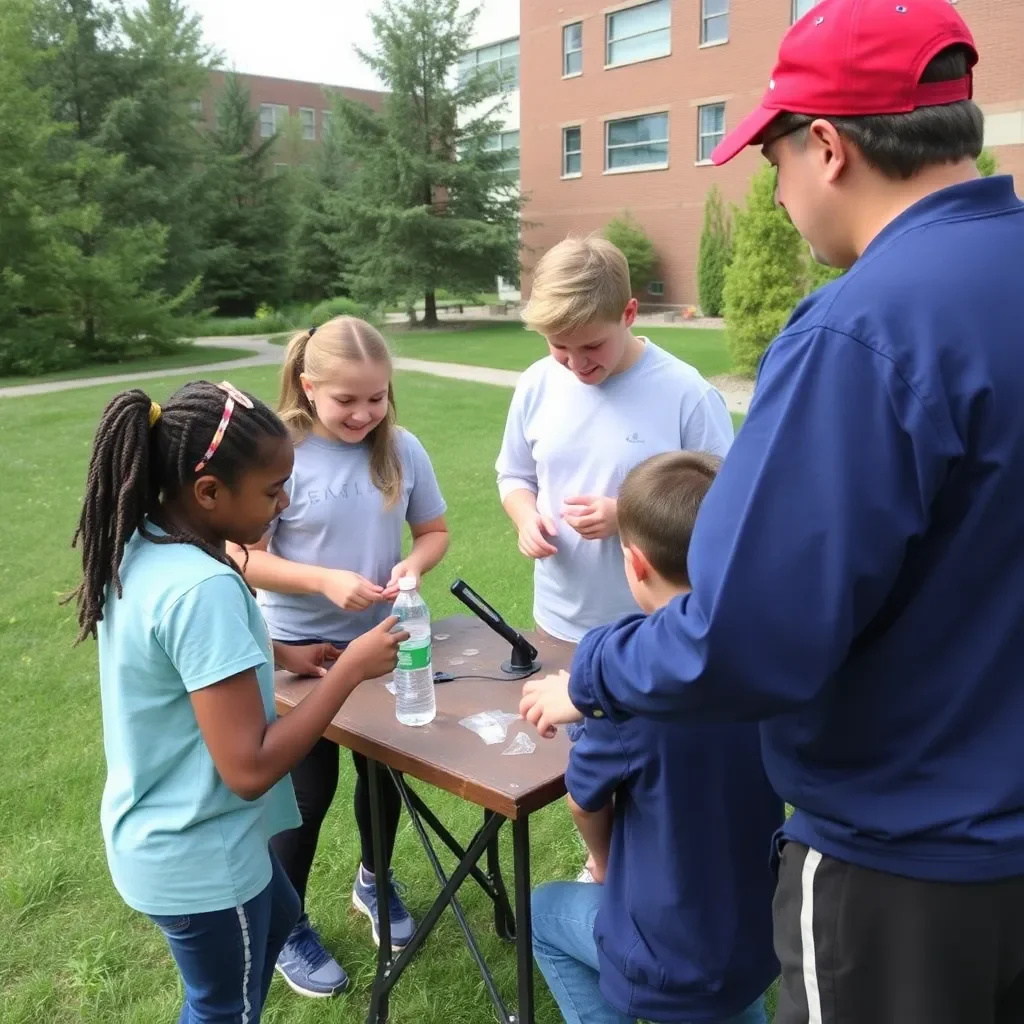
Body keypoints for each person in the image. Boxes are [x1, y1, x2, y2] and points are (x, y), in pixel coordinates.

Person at [521, 1, 1024, 1022]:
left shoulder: (863, 327)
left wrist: (597, 672)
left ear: (827, 147)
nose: (781, 190)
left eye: (774, 161)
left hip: (907, 866)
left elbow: (747, 638)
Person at [68, 380, 406, 1023]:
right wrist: (349, 671)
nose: (283, 506)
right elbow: (248, 769)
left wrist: (280, 654)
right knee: (223, 1008)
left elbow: (174, 654)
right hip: (202, 855)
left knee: (277, 919)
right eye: (274, 491)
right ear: (209, 492)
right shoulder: (203, 589)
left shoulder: (144, 543)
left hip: (165, 833)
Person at [227, 317, 449, 998]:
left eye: (377, 398)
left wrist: (411, 565)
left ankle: (375, 880)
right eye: (346, 400)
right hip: (303, 659)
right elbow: (242, 555)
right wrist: (323, 580)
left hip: (383, 648)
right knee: (305, 795)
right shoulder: (280, 453)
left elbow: (433, 531)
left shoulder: (401, 450)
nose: (364, 413)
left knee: (383, 779)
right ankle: (286, 922)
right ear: (307, 384)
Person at [532, 451, 783, 1024]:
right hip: (758, 927)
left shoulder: (627, 693)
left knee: (544, 913)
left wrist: (602, 862)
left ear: (635, 563)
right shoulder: (771, 656)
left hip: (669, 950)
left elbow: (583, 798)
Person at [495, 235, 733, 648]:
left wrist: (627, 515)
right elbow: (513, 475)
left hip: (652, 627)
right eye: (559, 346)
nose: (576, 364)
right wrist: (525, 519)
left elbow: (724, 507)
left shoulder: (686, 394)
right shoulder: (536, 383)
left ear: (629, 313)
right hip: (556, 618)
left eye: (591, 345)